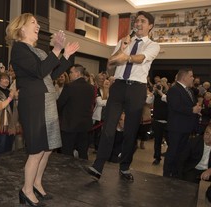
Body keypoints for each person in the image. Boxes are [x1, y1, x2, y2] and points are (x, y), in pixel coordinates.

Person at [5, 13, 79, 207]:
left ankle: (36, 183)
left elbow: (51, 73)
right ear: (21, 29)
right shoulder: (19, 49)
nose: (38, 25)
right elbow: (39, 72)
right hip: (34, 102)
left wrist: (66, 55)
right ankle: (26, 190)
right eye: (33, 23)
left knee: (48, 148)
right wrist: (56, 49)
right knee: (37, 149)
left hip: (46, 100)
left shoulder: (36, 50)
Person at [85, 11, 160, 182]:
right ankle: (98, 166)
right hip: (118, 86)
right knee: (109, 126)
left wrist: (126, 57)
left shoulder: (153, 45)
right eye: (137, 20)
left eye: (142, 21)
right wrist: (122, 48)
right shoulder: (124, 41)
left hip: (137, 89)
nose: (138, 23)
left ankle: (125, 167)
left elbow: (140, 58)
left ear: (150, 26)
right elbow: (110, 63)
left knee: (130, 130)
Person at [163, 68, 202, 178]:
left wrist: (196, 109)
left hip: (185, 127)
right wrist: (191, 110)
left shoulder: (188, 90)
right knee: (173, 152)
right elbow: (176, 106)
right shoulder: (175, 89)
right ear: (184, 77)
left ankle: (175, 173)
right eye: (191, 76)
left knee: (180, 153)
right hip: (177, 128)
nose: (193, 78)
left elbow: (190, 105)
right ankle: (167, 175)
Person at [57, 64, 94, 160]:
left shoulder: (69, 86)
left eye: (71, 72)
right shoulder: (91, 88)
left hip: (70, 125)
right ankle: (82, 174)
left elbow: (60, 104)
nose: (69, 74)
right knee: (83, 152)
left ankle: (67, 173)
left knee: (67, 153)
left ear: (77, 73)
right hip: (84, 126)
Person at [0, 72, 19, 155]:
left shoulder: (10, 91)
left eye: (7, 79)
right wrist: (10, 98)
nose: (6, 80)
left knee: (8, 146)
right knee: (0, 146)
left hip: (11, 122)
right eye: (4, 79)